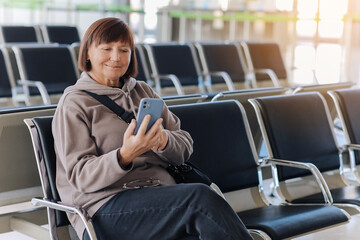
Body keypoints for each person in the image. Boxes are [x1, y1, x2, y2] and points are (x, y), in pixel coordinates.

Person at [52, 17, 253, 240]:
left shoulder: (143, 92)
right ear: (87, 53)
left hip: (160, 199)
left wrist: (163, 141)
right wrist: (125, 154)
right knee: (200, 200)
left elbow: (184, 145)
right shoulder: (74, 103)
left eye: (124, 50)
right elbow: (80, 176)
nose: (116, 57)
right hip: (104, 208)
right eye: (106, 49)